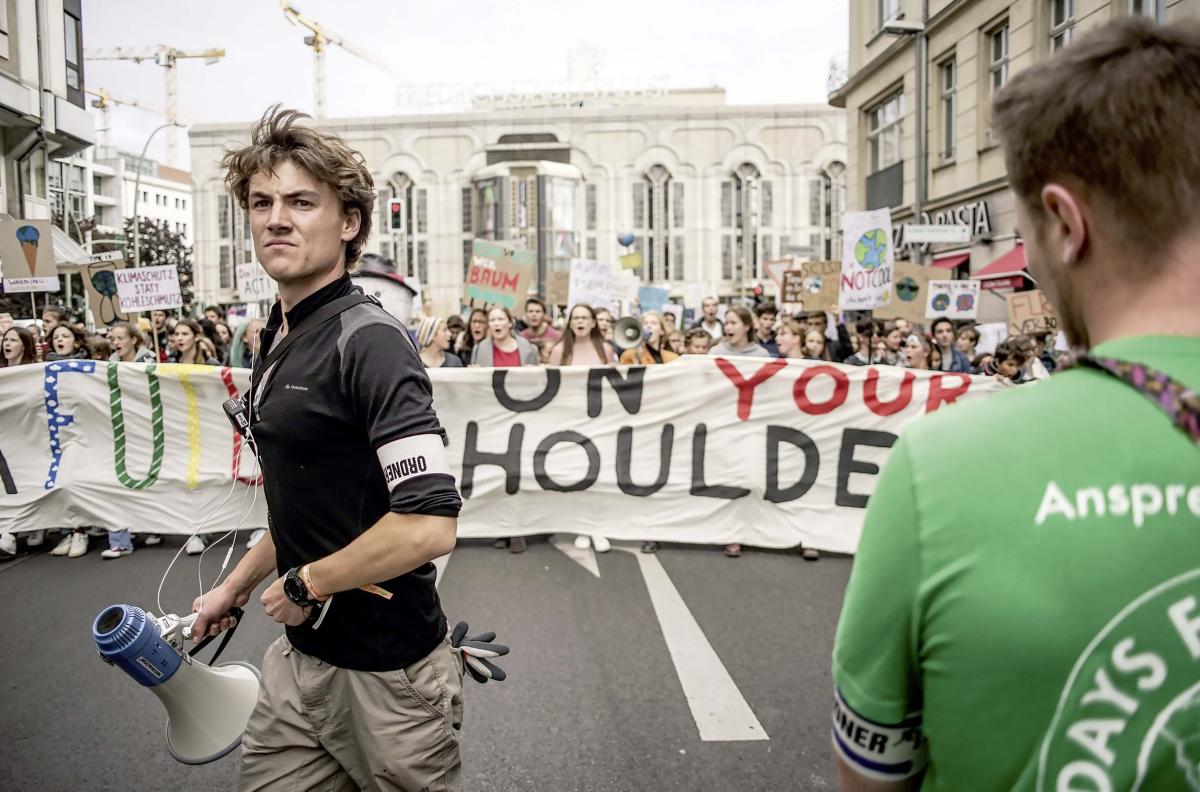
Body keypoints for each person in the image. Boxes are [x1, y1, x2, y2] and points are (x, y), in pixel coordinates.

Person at [831, 19, 1200, 791]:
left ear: (1066, 224)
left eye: (1028, 230)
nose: (1027, 260)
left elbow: (871, 775)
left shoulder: (940, 467)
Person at [191, 106, 466, 792]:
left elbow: (430, 524)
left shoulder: (369, 340)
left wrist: (304, 584)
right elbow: (306, 508)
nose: (276, 218)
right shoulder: (272, 339)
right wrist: (232, 586)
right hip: (298, 664)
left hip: (390, 678)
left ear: (349, 223)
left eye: (301, 202)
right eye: (262, 202)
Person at [472, 306, 539, 369]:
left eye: (500, 319)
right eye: (492, 320)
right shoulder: (479, 350)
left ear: (510, 323)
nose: (496, 323)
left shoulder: (529, 349)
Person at [548, 304, 616, 366]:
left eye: (584, 318)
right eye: (576, 318)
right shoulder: (558, 350)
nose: (580, 321)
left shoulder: (606, 349)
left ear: (593, 323)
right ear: (570, 324)